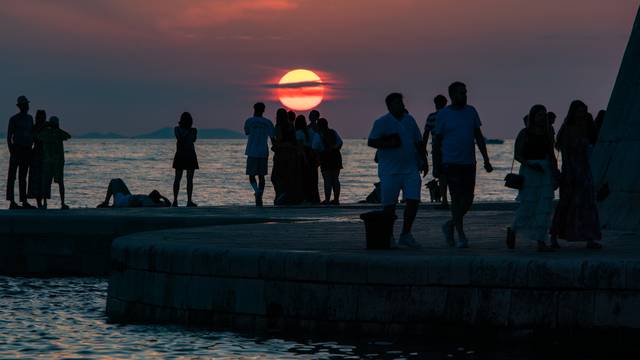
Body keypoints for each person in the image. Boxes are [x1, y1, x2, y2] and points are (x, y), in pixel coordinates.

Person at [433, 82, 493, 248]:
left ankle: (450, 224)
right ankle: (461, 235)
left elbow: (478, 136)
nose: (464, 96)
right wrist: (436, 165)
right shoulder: (443, 115)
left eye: (465, 92)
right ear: (452, 95)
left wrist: (486, 159)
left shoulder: (471, 111)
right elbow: (437, 141)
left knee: (468, 200)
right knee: (456, 199)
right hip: (451, 163)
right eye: (461, 93)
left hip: (469, 162)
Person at [368, 93, 428, 249]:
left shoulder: (410, 120)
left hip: (410, 169)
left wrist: (424, 161)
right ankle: (389, 236)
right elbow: (371, 141)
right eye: (397, 103)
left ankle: (406, 234)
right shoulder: (382, 122)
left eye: (401, 102)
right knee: (389, 206)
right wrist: (388, 143)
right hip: (389, 171)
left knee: (413, 200)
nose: (401, 105)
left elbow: (418, 141)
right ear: (389, 106)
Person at [549, 100, 602, 249]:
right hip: (571, 171)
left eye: (583, 111)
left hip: (585, 171)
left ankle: (590, 238)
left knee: (588, 204)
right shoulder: (568, 129)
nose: (581, 114)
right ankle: (554, 237)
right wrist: (569, 173)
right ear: (573, 112)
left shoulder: (587, 128)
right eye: (579, 111)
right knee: (565, 204)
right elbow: (565, 152)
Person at [507, 105, 559, 251]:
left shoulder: (547, 133)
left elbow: (551, 153)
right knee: (528, 205)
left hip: (545, 170)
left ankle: (541, 241)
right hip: (530, 171)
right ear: (533, 116)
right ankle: (513, 229)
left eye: (544, 115)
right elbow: (517, 155)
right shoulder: (525, 133)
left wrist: (555, 171)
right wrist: (530, 165)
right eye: (539, 115)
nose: (542, 118)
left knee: (545, 207)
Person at [7, 95, 35, 209]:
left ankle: (24, 201)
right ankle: (12, 202)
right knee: (12, 176)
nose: (27, 106)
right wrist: (11, 151)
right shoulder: (14, 119)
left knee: (23, 176)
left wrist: (31, 147)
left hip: (27, 149)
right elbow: (9, 137)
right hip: (16, 149)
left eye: (27, 104)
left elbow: (32, 133)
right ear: (20, 106)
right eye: (25, 105)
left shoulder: (30, 118)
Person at [37, 116, 71, 209]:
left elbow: (68, 136)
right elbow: (68, 136)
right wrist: (54, 128)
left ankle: (48, 203)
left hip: (52, 162)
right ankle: (60, 203)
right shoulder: (54, 133)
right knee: (53, 183)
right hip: (55, 161)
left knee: (48, 183)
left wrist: (48, 127)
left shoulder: (49, 133)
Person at [244, 102, 275, 206]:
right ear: (263, 110)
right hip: (263, 151)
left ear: (254, 109)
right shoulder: (268, 122)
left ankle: (256, 191)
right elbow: (272, 137)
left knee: (251, 175)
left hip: (252, 151)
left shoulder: (249, 121)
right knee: (262, 176)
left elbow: (247, 132)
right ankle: (259, 196)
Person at [271, 108, 303, 205]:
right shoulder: (291, 126)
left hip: (281, 154)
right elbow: (294, 141)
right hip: (291, 154)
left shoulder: (279, 126)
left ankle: (280, 195)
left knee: (275, 177)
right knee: (288, 177)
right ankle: (287, 196)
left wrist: (273, 140)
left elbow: (279, 139)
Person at [424, 94, 449, 209]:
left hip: (437, 149)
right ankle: (449, 199)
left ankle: (444, 199)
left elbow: (426, 134)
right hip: (450, 148)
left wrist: (423, 149)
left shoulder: (431, 117)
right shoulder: (450, 116)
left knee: (441, 175)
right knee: (450, 174)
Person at [313, 118, 344, 205]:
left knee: (327, 180)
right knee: (335, 179)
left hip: (325, 157)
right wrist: (334, 148)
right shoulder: (333, 132)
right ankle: (336, 200)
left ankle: (327, 200)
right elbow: (340, 143)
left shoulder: (318, 134)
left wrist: (317, 159)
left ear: (319, 125)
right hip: (336, 156)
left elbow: (315, 147)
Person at [172, 112, 199, 207]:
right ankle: (187, 201)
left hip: (182, 155)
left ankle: (177, 201)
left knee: (179, 178)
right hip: (189, 155)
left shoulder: (177, 129)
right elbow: (191, 139)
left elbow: (180, 139)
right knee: (188, 179)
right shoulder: (193, 130)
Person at [295, 114, 319, 204]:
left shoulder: (298, 133)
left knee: (304, 178)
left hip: (304, 156)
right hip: (312, 154)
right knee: (313, 178)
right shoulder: (310, 131)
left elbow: (300, 148)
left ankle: (306, 198)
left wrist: (304, 159)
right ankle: (314, 198)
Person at [97, 178, 171, 208]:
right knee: (119, 180)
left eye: (154, 193)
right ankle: (106, 203)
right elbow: (168, 204)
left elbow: (137, 204)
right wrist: (161, 196)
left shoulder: (148, 202)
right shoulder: (156, 203)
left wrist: (114, 207)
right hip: (128, 197)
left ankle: (106, 202)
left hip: (122, 201)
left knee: (113, 181)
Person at [28, 110, 48, 208]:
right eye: (39, 116)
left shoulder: (46, 127)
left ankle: (43, 201)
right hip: (37, 155)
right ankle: (40, 202)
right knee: (37, 179)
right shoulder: (36, 128)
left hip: (43, 155)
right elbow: (31, 141)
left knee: (43, 179)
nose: (41, 118)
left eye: (42, 116)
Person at [306, 110, 321, 203]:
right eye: (310, 115)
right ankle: (311, 197)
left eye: (312, 115)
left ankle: (315, 198)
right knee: (309, 176)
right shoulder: (307, 127)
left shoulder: (318, 128)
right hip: (308, 152)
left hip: (315, 153)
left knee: (314, 176)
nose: (310, 117)